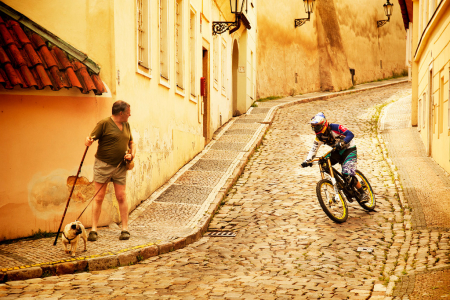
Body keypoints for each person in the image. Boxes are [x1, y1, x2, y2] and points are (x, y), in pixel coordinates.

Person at [85, 100, 136, 241]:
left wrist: (131, 154)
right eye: (128, 112)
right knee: (99, 197)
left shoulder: (126, 125)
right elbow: (90, 138)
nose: (130, 114)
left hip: (120, 166)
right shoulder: (104, 124)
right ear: (121, 113)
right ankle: (94, 229)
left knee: (121, 196)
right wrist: (88, 141)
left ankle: (125, 229)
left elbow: (132, 142)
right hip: (103, 166)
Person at [301, 112, 369, 202]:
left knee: (347, 173)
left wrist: (343, 142)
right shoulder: (319, 137)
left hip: (349, 149)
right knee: (324, 164)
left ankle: (363, 193)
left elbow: (350, 134)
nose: (315, 129)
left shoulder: (336, 127)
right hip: (337, 151)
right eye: (313, 127)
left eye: (317, 126)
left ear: (323, 125)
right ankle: (339, 185)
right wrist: (307, 160)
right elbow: (314, 149)